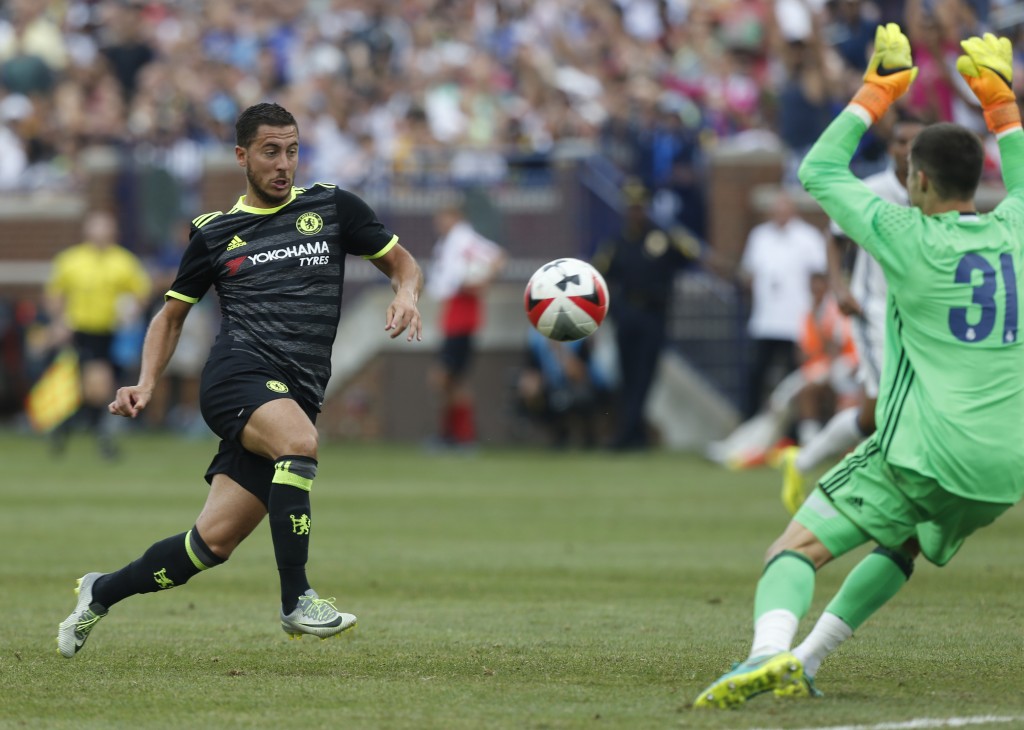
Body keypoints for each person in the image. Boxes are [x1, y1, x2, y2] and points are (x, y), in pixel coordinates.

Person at [694, 26, 1024, 707]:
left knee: (794, 549)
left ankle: (764, 655)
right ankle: (807, 663)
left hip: (926, 452)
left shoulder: (906, 235)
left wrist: (878, 89)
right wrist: (1002, 104)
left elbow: (818, 171)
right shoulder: (1015, 226)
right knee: (899, 544)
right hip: (1004, 468)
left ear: (918, 179)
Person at [56, 102, 424, 658]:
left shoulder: (333, 206)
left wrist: (406, 292)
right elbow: (171, 314)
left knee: (210, 545)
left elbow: (402, 262)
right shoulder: (215, 233)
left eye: (292, 150)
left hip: (294, 392)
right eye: (270, 151)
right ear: (242, 156)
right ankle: (297, 600)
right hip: (237, 375)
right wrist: (148, 383)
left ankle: (99, 591)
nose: (284, 164)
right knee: (300, 445)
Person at [778, 114, 925, 514]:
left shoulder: (934, 192)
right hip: (873, 310)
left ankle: (804, 460)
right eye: (900, 142)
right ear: (891, 147)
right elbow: (836, 236)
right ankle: (866, 491)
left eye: (915, 142)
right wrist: (839, 286)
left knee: (875, 414)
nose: (907, 150)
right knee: (883, 407)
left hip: (918, 315)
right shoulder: (872, 190)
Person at [592, 177, 700, 451]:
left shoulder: (662, 237)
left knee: (645, 377)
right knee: (627, 376)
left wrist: (672, 235)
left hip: (654, 315)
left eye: (640, 207)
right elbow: (599, 276)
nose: (635, 213)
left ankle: (627, 435)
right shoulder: (617, 242)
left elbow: (689, 255)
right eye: (631, 208)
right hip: (627, 314)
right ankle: (632, 433)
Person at [45, 209, 152, 458]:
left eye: (106, 227)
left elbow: (141, 294)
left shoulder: (124, 261)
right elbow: (55, 295)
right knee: (100, 386)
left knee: (96, 390)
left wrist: (132, 310)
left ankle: (65, 428)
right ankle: (105, 439)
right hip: (84, 332)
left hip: (113, 333)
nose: (101, 232)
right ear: (87, 230)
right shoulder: (71, 260)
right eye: (97, 227)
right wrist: (60, 322)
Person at [738, 190, 827, 420]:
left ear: (793, 211)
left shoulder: (808, 238)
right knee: (755, 375)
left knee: (794, 378)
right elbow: (749, 272)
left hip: (795, 321)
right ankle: (750, 423)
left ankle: (794, 430)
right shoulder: (759, 236)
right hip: (764, 319)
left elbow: (820, 277)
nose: (779, 214)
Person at [426, 204, 506, 448]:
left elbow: (497, 258)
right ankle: (455, 436)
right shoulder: (449, 243)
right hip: (454, 316)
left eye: (444, 217)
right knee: (453, 381)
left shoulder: (463, 239)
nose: (440, 223)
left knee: (445, 378)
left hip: (462, 317)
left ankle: (460, 435)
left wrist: (481, 281)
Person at [791, 271, 859, 449]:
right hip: (824, 368)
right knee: (794, 395)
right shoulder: (818, 313)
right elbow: (813, 350)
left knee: (846, 400)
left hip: (848, 367)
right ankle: (810, 444)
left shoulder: (840, 308)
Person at [516, 327, 611, 450]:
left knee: (582, 397)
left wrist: (560, 351)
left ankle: (589, 436)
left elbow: (579, 375)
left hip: (581, 387)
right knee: (532, 394)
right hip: (551, 387)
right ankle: (559, 434)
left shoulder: (580, 336)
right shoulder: (535, 337)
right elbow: (531, 370)